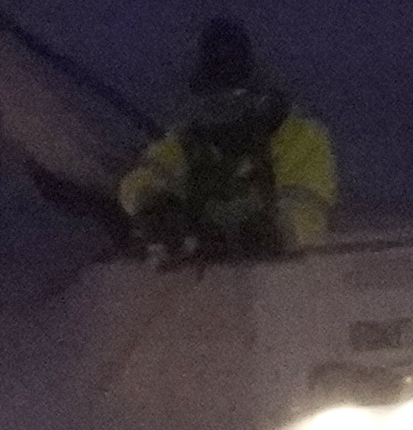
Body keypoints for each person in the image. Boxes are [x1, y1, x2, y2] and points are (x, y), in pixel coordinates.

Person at [120, 17, 338, 261]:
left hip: (281, 282)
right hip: (190, 282)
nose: (223, 112)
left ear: (259, 90)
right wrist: (153, 206)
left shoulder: (299, 136)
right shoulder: (185, 142)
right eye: (213, 99)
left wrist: (270, 233)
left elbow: (308, 212)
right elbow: (141, 179)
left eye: (235, 97)